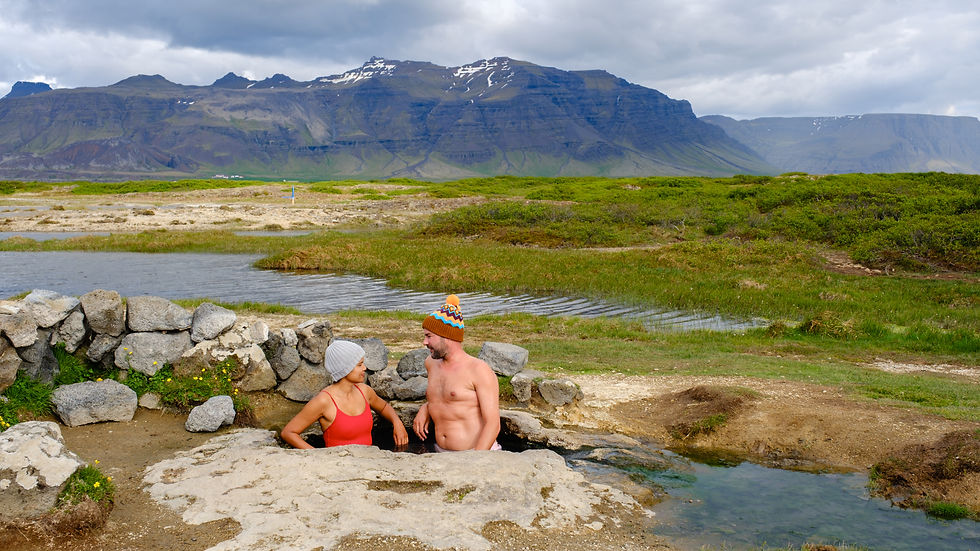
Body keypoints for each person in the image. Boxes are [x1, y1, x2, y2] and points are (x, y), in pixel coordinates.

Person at [281, 339, 409, 449]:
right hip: (340, 468)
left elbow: (384, 407)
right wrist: (317, 456)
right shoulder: (323, 401)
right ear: (345, 369)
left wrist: (397, 423)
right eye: (359, 365)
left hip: (369, 464)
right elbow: (289, 432)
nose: (364, 368)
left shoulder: (364, 391)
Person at [412, 295, 501, 451]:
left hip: (476, 454)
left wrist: (474, 461)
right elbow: (447, 398)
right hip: (440, 451)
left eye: (429, 336)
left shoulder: (478, 370)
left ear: (446, 336)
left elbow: (493, 424)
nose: (424, 342)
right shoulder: (431, 363)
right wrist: (426, 407)